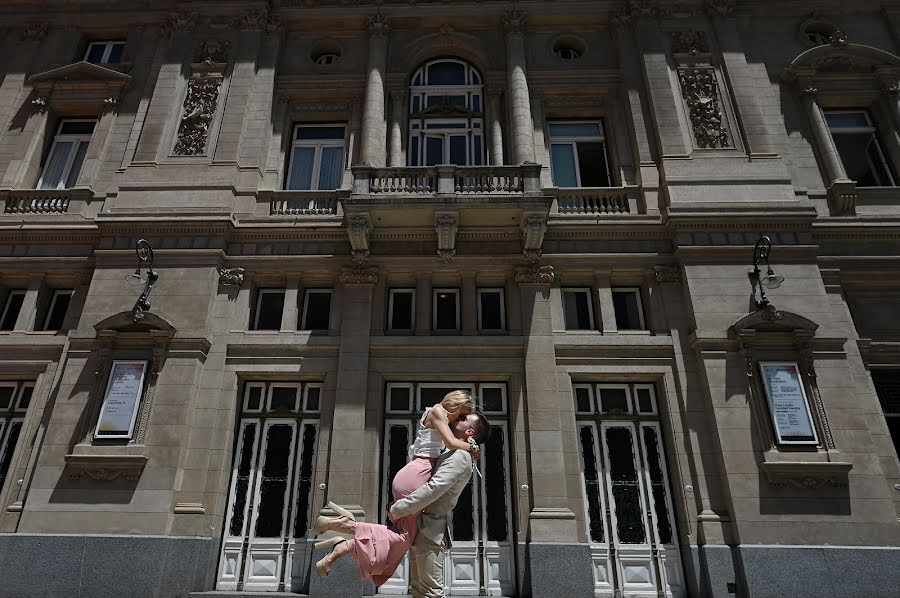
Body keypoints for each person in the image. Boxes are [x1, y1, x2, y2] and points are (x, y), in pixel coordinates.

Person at [312, 391, 484, 586]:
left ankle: (343, 539)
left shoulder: (438, 416)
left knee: (401, 536)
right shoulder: (438, 412)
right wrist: (473, 447)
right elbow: (452, 444)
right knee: (402, 538)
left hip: (416, 473)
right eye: (461, 414)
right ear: (456, 404)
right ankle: (342, 534)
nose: (459, 419)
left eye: (463, 418)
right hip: (417, 474)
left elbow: (446, 446)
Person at [390, 410, 491, 598]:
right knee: (419, 591)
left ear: (469, 432)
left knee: (431, 593)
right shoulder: (452, 451)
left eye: (462, 419)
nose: (457, 418)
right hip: (421, 529)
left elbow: (434, 489)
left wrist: (399, 508)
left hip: (430, 532)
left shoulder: (460, 457)